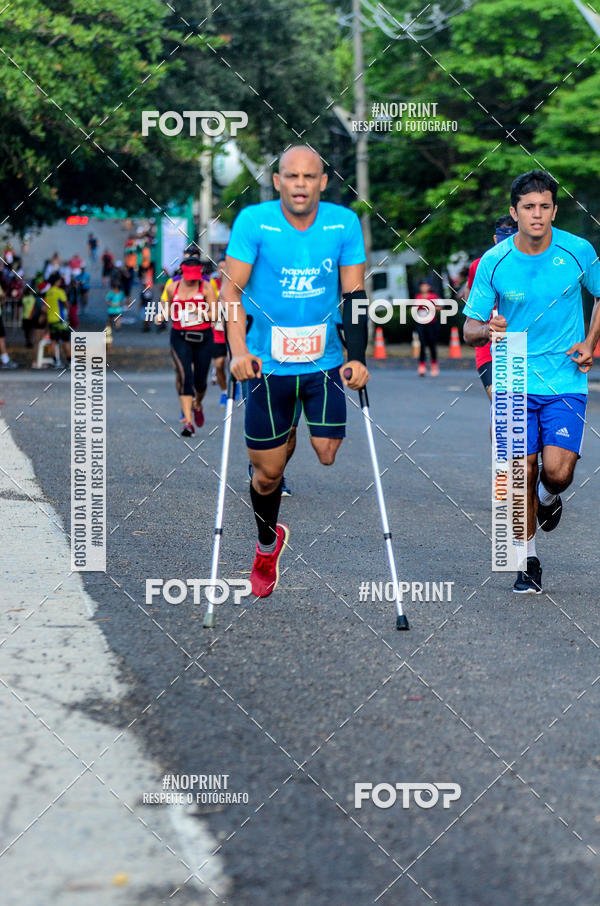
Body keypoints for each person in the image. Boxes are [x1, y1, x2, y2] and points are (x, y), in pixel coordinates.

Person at [221, 144, 369, 597]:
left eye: (309, 177)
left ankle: (286, 436)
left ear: (322, 182)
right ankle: (268, 544)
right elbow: (230, 293)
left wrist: (357, 356)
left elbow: (355, 297)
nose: (300, 184)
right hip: (266, 365)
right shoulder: (253, 221)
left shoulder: (343, 223)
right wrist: (239, 350)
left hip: (323, 363)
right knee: (266, 475)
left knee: (326, 452)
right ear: (277, 180)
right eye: (291, 176)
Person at [463, 169, 600, 594]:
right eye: (528, 207)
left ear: (554, 210)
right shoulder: (494, 261)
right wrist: (490, 328)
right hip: (513, 371)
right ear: (514, 212)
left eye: (544, 206)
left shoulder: (579, 251)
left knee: (557, 472)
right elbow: (469, 328)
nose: (536, 215)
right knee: (519, 470)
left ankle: (548, 497)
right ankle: (527, 560)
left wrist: (591, 341)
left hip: (563, 375)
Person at [155, 255, 217, 436]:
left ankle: (197, 404)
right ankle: (188, 423)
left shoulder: (206, 288)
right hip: (180, 336)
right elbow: (165, 305)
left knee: (200, 382)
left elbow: (215, 315)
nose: (191, 280)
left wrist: (199, 311)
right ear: (182, 271)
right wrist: (162, 315)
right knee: (185, 377)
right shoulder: (173, 287)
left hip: (203, 337)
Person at [465, 215, 518, 401]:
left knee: (521, 413)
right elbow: (469, 291)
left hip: (522, 347)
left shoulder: (530, 267)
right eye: (503, 241)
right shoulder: (480, 265)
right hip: (489, 348)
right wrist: (479, 325)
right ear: (495, 239)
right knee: (501, 405)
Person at [414, 279, 440, 376]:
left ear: (429, 287)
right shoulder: (418, 297)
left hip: (431, 323)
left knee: (432, 344)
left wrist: (430, 307)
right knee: (422, 344)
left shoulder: (433, 297)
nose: (423, 288)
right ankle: (422, 366)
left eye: (425, 285)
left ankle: (434, 364)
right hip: (421, 323)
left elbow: (439, 307)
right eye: (422, 286)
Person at [45, 273, 71, 367]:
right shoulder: (60, 291)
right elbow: (66, 304)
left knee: (53, 341)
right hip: (60, 320)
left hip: (51, 320)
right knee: (66, 341)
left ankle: (56, 361)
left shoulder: (48, 292)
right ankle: (70, 362)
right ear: (57, 281)